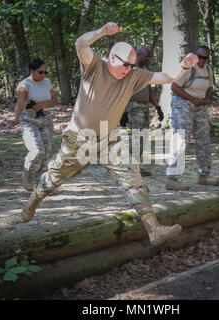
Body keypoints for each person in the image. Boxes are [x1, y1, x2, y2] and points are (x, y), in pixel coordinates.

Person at [21, 22, 198, 247]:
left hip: (109, 138)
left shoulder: (133, 76)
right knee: (53, 179)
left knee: (133, 179)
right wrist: (103, 32)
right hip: (79, 138)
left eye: (131, 65)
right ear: (112, 57)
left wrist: (184, 65)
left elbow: (167, 77)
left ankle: (154, 229)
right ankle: (33, 200)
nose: (128, 69)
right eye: (125, 64)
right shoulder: (94, 66)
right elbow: (80, 44)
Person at [166, 45, 219, 190]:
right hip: (183, 107)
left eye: (205, 57)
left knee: (204, 141)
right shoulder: (188, 68)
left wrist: (206, 99)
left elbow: (210, 87)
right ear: (195, 56)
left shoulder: (208, 69)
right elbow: (175, 87)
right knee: (180, 140)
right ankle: (172, 178)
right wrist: (192, 99)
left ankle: (204, 175)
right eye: (199, 57)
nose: (202, 60)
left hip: (200, 108)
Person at [11, 59, 59, 191]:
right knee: (38, 151)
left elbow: (55, 101)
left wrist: (42, 105)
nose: (43, 74)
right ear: (31, 71)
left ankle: (42, 184)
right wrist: (15, 119)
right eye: (40, 72)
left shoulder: (47, 82)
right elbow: (20, 104)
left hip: (46, 119)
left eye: (45, 72)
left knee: (47, 153)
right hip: (29, 119)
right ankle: (27, 172)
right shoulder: (24, 85)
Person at [120, 47, 164, 177]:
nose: (149, 59)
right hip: (133, 107)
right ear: (138, 54)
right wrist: (123, 112)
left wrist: (158, 107)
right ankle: (129, 168)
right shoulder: (128, 70)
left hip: (145, 107)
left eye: (150, 56)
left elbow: (149, 90)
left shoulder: (145, 71)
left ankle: (135, 166)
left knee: (143, 137)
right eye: (147, 56)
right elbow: (122, 91)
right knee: (136, 137)